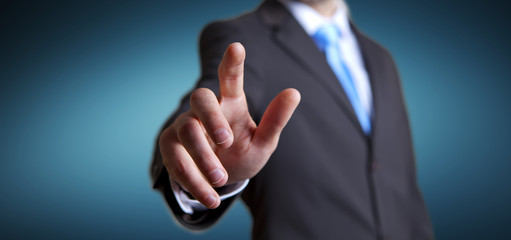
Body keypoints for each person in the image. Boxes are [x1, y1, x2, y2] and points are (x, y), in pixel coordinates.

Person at [151, 0, 434, 239]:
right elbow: (217, 99)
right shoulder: (243, 37)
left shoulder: (381, 58)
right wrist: (197, 147)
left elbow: (402, 187)